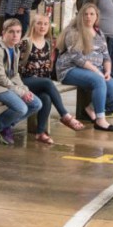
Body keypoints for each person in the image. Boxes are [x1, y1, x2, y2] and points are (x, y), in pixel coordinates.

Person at [19, 13, 85, 144]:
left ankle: (40, 132)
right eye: (39, 23)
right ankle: (65, 115)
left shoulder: (48, 44)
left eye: (45, 24)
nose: (42, 26)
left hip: (41, 83)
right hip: (24, 81)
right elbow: (16, 67)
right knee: (48, 83)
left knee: (46, 97)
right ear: (33, 25)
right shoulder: (25, 43)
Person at [55, 3, 113, 132]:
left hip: (94, 71)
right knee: (98, 80)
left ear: (97, 16)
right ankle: (100, 120)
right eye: (85, 14)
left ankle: (91, 108)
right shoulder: (73, 32)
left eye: (92, 14)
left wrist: (107, 71)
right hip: (70, 69)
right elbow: (77, 58)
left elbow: (106, 56)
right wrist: (97, 72)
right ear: (80, 16)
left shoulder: (99, 33)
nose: (88, 17)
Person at [0, 18, 42, 147]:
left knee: (36, 104)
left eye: (18, 32)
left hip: (3, 85)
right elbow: (0, 79)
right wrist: (21, 93)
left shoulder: (15, 49)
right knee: (21, 108)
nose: (15, 35)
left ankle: (5, 126)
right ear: (3, 32)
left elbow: (14, 74)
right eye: (11, 32)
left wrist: (24, 89)